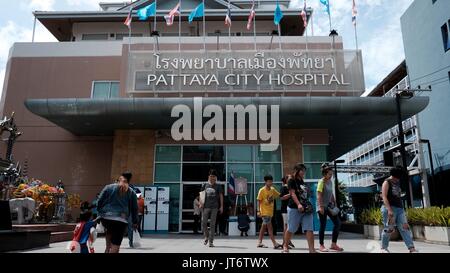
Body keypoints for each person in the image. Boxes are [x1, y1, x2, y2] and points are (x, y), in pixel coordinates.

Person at [97, 172, 138, 253]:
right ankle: (112, 249)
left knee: (110, 230)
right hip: (121, 220)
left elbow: (99, 201)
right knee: (116, 243)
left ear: (118, 179)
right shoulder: (131, 192)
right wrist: (135, 221)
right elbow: (134, 208)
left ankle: (107, 248)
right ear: (129, 181)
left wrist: (100, 212)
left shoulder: (108, 187)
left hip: (106, 218)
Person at [380, 166, 417, 253]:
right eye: (396, 178)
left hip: (399, 208)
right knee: (389, 229)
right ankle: (383, 248)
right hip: (389, 208)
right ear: (393, 176)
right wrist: (389, 209)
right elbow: (384, 196)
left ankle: (411, 248)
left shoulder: (398, 181)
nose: (397, 179)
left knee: (405, 228)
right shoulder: (387, 182)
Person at [282, 163, 316, 253]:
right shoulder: (291, 180)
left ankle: (311, 250)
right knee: (291, 228)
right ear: (297, 170)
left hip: (306, 208)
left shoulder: (302, 180)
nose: (303, 173)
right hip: (294, 207)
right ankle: (285, 245)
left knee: (309, 228)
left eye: (304, 171)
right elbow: (292, 193)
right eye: (302, 171)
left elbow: (304, 194)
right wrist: (298, 204)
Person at [317, 164, 343, 252]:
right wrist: (321, 207)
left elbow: (331, 193)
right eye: (329, 174)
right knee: (323, 225)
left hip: (329, 206)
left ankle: (333, 244)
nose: (331, 175)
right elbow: (319, 195)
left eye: (331, 174)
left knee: (338, 223)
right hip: (322, 206)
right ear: (324, 174)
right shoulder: (321, 182)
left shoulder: (330, 182)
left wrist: (334, 202)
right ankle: (321, 245)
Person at [256, 175, 282, 249]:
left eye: (271, 181)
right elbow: (258, 201)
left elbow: (280, 196)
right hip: (265, 212)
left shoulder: (272, 190)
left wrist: (290, 194)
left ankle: (259, 242)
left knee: (264, 227)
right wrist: (258, 211)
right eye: (269, 181)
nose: (271, 183)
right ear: (265, 182)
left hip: (270, 213)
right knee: (270, 228)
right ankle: (274, 243)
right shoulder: (262, 190)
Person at [200, 169, 224, 247]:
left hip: (214, 207)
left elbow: (221, 196)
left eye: (213, 176)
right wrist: (201, 203)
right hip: (206, 206)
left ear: (215, 177)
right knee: (203, 223)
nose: (212, 178)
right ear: (208, 177)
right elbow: (202, 194)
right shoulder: (205, 185)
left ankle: (211, 241)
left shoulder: (218, 186)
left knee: (212, 224)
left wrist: (221, 206)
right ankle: (206, 236)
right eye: (211, 176)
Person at [280, 175, 295, 249]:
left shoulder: (291, 187)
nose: (291, 180)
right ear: (286, 180)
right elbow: (282, 197)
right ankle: (284, 243)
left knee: (290, 226)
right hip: (285, 209)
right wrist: (291, 194)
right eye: (290, 178)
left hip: (291, 209)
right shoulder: (284, 187)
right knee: (286, 226)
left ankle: (288, 241)